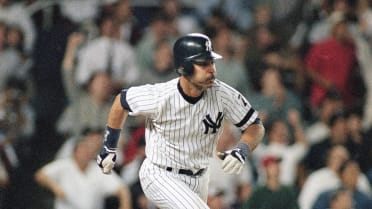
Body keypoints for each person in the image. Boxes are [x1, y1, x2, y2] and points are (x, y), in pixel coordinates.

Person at [97, 33, 265, 208]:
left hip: (199, 177)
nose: (212, 70)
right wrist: (109, 147)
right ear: (184, 67)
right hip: (160, 174)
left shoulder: (221, 94)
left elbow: (255, 125)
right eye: (203, 64)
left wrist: (242, 149)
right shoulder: (161, 96)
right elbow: (121, 101)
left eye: (212, 62)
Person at [35, 129, 132, 209]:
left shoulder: (98, 170)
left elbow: (122, 189)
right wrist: (55, 187)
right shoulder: (64, 165)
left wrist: (125, 205)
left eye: (87, 150)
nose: (85, 153)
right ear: (75, 152)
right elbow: (40, 175)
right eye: (82, 150)